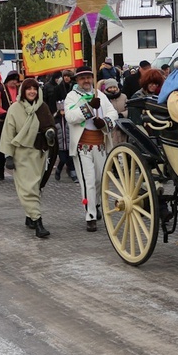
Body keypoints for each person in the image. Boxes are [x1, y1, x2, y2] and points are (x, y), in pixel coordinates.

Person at [0, 78, 56, 238]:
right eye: (28, 89)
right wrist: (8, 155)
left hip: (38, 152)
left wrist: (49, 132)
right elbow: (8, 132)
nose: (32, 91)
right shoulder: (14, 109)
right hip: (21, 153)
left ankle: (29, 216)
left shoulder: (42, 107)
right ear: (22, 91)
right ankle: (38, 222)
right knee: (28, 188)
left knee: (36, 186)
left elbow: (49, 125)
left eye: (34, 89)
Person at [64, 66, 119, 232]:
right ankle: (90, 216)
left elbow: (113, 112)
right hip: (83, 146)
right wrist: (88, 108)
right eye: (82, 78)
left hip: (100, 144)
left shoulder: (100, 94)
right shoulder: (71, 97)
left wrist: (105, 122)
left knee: (100, 179)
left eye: (88, 77)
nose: (86, 81)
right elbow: (70, 117)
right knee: (88, 181)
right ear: (77, 81)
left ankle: (95, 204)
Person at [0, 71, 21, 180]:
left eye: (16, 80)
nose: (14, 82)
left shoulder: (20, 90)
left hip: (17, 123)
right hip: (3, 122)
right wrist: (5, 114)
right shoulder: (0, 90)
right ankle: (0, 170)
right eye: (12, 80)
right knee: (1, 147)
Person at [53, 100, 77, 183]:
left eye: (64, 110)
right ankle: (58, 170)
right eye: (61, 110)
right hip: (60, 145)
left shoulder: (69, 119)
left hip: (69, 143)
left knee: (70, 159)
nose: (63, 112)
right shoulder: (55, 120)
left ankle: (73, 175)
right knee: (63, 159)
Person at [102, 78, 128, 146]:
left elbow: (128, 109)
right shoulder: (104, 98)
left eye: (114, 87)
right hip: (111, 126)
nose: (112, 89)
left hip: (122, 125)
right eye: (110, 87)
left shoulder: (123, 97)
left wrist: (122, 114)